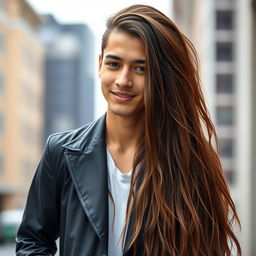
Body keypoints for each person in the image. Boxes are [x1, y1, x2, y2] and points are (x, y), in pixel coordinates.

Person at [16, 4, 241, 256]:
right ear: (100, 64)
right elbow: (32, 241)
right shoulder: (62, 153)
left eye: (140, 68)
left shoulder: (191, 159)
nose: (123, 80)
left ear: (161, 77)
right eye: (114, 64)